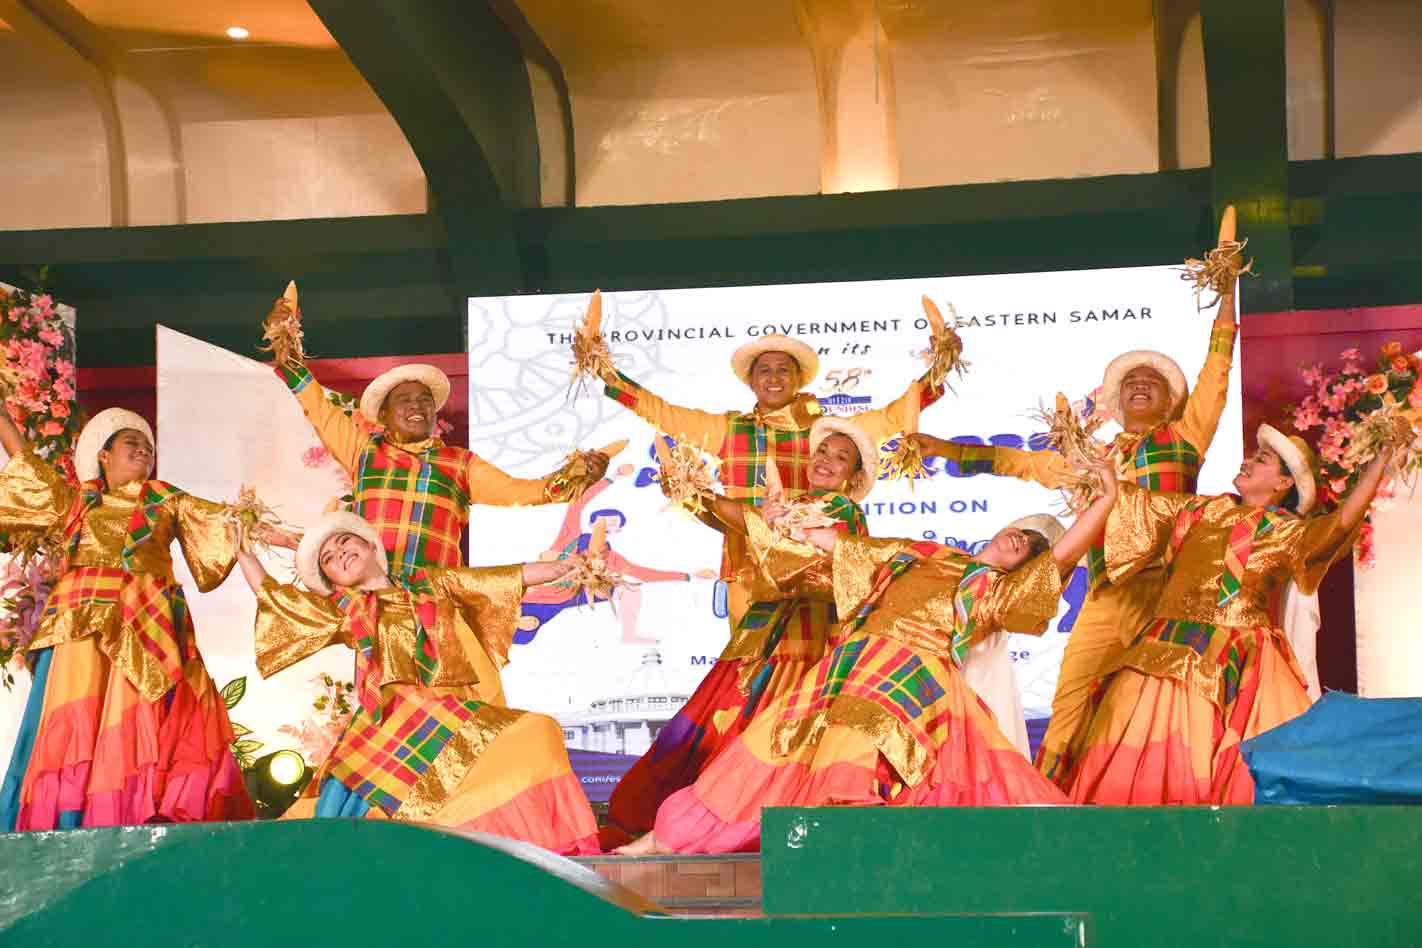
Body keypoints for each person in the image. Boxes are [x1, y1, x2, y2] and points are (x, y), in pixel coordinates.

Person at [620, 459, 1120, 854]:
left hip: (912, 675)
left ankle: (844, 856)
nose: (1022, 538)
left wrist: (1107, 500)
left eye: (1031, 546)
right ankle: (668, 839)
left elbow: (1063, 556)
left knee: (856, 747)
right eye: (1020, 529)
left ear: (1027, 569)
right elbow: (843, 548)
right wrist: (789, 523)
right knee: (767, 747)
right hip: (850, 663)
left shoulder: (992, 593)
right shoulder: (920, 553)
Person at [912, 217, 1243, 784]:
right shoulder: (1097, 457)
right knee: (1070, 700)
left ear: (1170, 401)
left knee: (1159, 704)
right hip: (1104, 594)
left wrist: (1227, 290)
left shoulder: (1184, 437)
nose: (1140, 385)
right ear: (1117, 401)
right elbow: (1019, 462)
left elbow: (1217, 367)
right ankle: (1053, 803)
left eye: (1153, 382)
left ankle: (1170, 796)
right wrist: (944, 447)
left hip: (1162, 591)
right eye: (1131, 382)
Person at [263, 293, 613, 701]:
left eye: (424, 400)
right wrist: (285, 343)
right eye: (405, 400)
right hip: (378, 610)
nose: (417, 406)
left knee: (464, 714)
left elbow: (526, 493)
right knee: (389, 715)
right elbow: (316, 406)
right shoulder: (364, 452)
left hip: (438, 609)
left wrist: (574, 479)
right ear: (385, 415)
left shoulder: (459, 464)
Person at [1064, 423, 1400, 804]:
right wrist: (1100, 472)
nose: (1247, 461)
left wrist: (1381, 461)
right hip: (1167, 648)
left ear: (1283, 485)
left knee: (1247, 767)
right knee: (1136, 755)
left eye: (1262, 460)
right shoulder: (1197, 510)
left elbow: (1338, 526)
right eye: (1252, 456)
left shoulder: (1286, 531)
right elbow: (1132, 504)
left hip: (1239, 661)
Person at [233, 509, 600, 854]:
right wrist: (244, 554)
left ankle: (525, 856)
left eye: (344, 542)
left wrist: (570, 566)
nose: (339, 553)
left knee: (538, 733)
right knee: (377, 814)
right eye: (328, 558)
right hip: (394, 721)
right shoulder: (346, 611)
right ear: (333, 581)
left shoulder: (432, 583)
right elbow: (278, 601)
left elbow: (506, 576)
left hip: (454, 710)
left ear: (370, 544)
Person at [583, 295, 949, 631]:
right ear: (752, 381)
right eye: (765, 370)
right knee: (746, 677)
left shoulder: (827, 431)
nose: (774, 377)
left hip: (812, 573)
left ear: (797, 379)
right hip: (746, 569)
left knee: (809, 678)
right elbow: (663, 413)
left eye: (783, 370)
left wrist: (941, 364)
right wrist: (604, 370)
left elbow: (892, 416)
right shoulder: (728, 429)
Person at [601, 416, 876, 849]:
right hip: (768, 633)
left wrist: (728, 508)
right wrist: (697, 495)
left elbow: (818, 560)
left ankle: (719, 826)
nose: (827, 461)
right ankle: (696, 824)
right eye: (823, 451)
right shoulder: (792, 502)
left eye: (841, 458)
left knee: (759, 734)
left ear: (853, 476)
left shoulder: (844, 512)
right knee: (729, 728)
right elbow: (744, 521)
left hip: (807, 641)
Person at [0, 408, 255, 829]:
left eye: (148, 446)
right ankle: (68, 820)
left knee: (140, 722)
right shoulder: (77, 503)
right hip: (80, 624)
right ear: (104, 455)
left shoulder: (163, 497)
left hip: (146, 621)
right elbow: (27, 468)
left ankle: (131, 813)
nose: (143, 450)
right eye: (131, 443)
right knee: (77, 721)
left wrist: (284, 536)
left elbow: (228, 524)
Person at [516, 465, 714, 645]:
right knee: (523, 630)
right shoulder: (570, 537)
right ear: (592, 523)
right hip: (533, 589)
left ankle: (629, 635)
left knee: (630, 589)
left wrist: (690, 576)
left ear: (617, 531)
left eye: (613, 524)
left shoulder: (612, 559)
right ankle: (513, 616)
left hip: (568, 596)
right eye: (604, 521)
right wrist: (611, 478)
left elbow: (644, 574)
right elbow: (578, 504)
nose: (607, 525)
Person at [961, 513, 1066, 758]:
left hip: (968, 684)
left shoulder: (1001, 594)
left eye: (1028, 547)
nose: (1022, 539)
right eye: (1023, 534)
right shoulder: (942, 559)